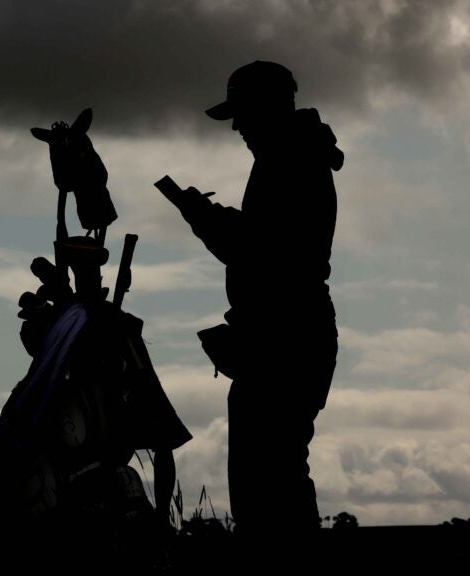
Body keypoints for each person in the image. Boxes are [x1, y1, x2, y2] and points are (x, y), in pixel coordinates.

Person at [159, 61, 343, 536]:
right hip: (286, 335)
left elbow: (259, 251)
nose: (237, 126)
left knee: (269, 483)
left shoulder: (292, 161)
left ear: (270, 106)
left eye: (243, 113)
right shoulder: (290, 156)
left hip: (286, 339)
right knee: (271, 478)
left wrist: (200, 213)